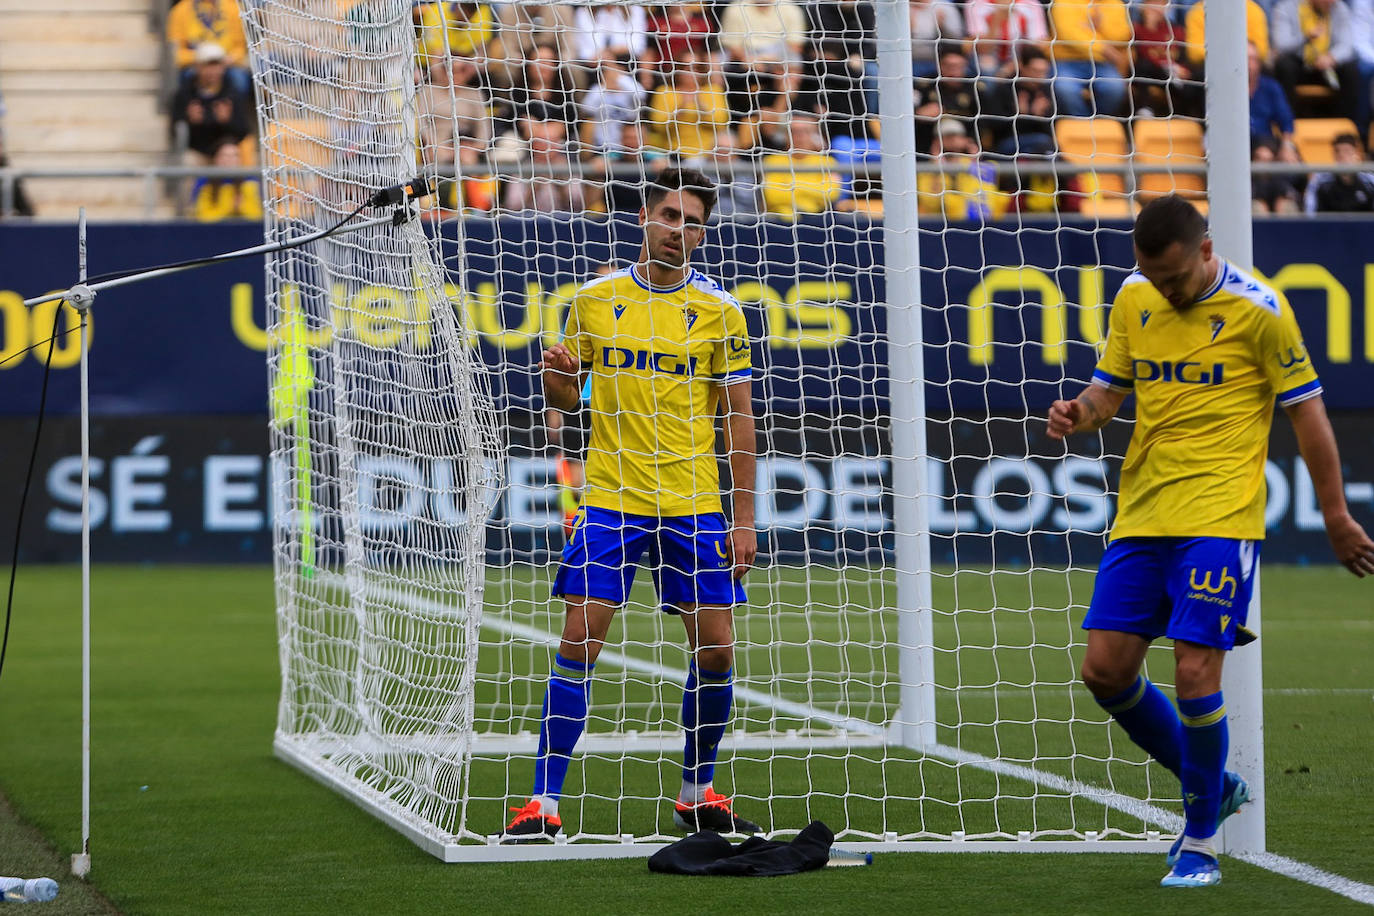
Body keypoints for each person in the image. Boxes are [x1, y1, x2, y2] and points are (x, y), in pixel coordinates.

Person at [1047, 194, 1374, 888]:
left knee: (1195, 671)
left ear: (1204, 249)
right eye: (1152, 277)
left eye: (1174, 278)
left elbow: (1308, 416)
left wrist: (1336, 515)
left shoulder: (1261, 310)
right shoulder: (1135, 297)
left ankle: (1200, 839)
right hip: (1143, 509)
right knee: (1104, 671)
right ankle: (1212, 783)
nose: (1163, 289)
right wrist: (1079, 414)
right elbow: (1109, 395)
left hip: (1222, 517)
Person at [502, 168, 759, 843]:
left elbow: (738, 421)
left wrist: (745, 518)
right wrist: (558, 378)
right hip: (613, 497)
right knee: (580, 637)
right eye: (671, 216)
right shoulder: (593, 299)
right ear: (645, 218)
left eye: (694, 221)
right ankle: (543, 805)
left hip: (696, 501)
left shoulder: (722, 313)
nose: (681, 230)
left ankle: (696, 794)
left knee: (717, 654)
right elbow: (567, 400)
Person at [1272, 0, 1362, 122]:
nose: (1331, 3)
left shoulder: (1339, 8)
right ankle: (1288, 125)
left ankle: (1343, 124)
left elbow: (1347, 45)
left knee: (1352, 70)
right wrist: (1306, 38)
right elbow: (1281, 45)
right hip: (1300, 64)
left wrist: (1332, 57)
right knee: (1285, 66)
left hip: (1326, 66)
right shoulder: (1285, 8)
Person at [171, 42, 254, 164]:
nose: (213, 71)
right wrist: (190, 120)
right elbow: (174, 129)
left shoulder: (232, 92)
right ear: (198, 67)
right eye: (208, 65)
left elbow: (243, 131)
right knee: (188, 161)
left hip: (225, 151)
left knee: (230, 154)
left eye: (216, 65)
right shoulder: (185, 93)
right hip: (198, 150)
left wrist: (227, 121)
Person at [1049, 0, 1132, 118]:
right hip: (1067, 61)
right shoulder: (1064, 2)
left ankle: (1100, 124)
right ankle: (1083, 125)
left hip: (1102, 63)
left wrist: (1099, 26)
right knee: (1065, 88)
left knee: (1115, 88)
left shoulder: (1116, 3)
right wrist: (1103, 48)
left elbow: (1122, 35)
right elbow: (1068, 34)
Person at [1304, 132, 1374, 210]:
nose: (1341, 155)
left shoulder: (1370, 182)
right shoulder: (1318, 181)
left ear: (1357, 154)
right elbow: (1310, 214)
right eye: (1337, 151)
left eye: (1347, 151)